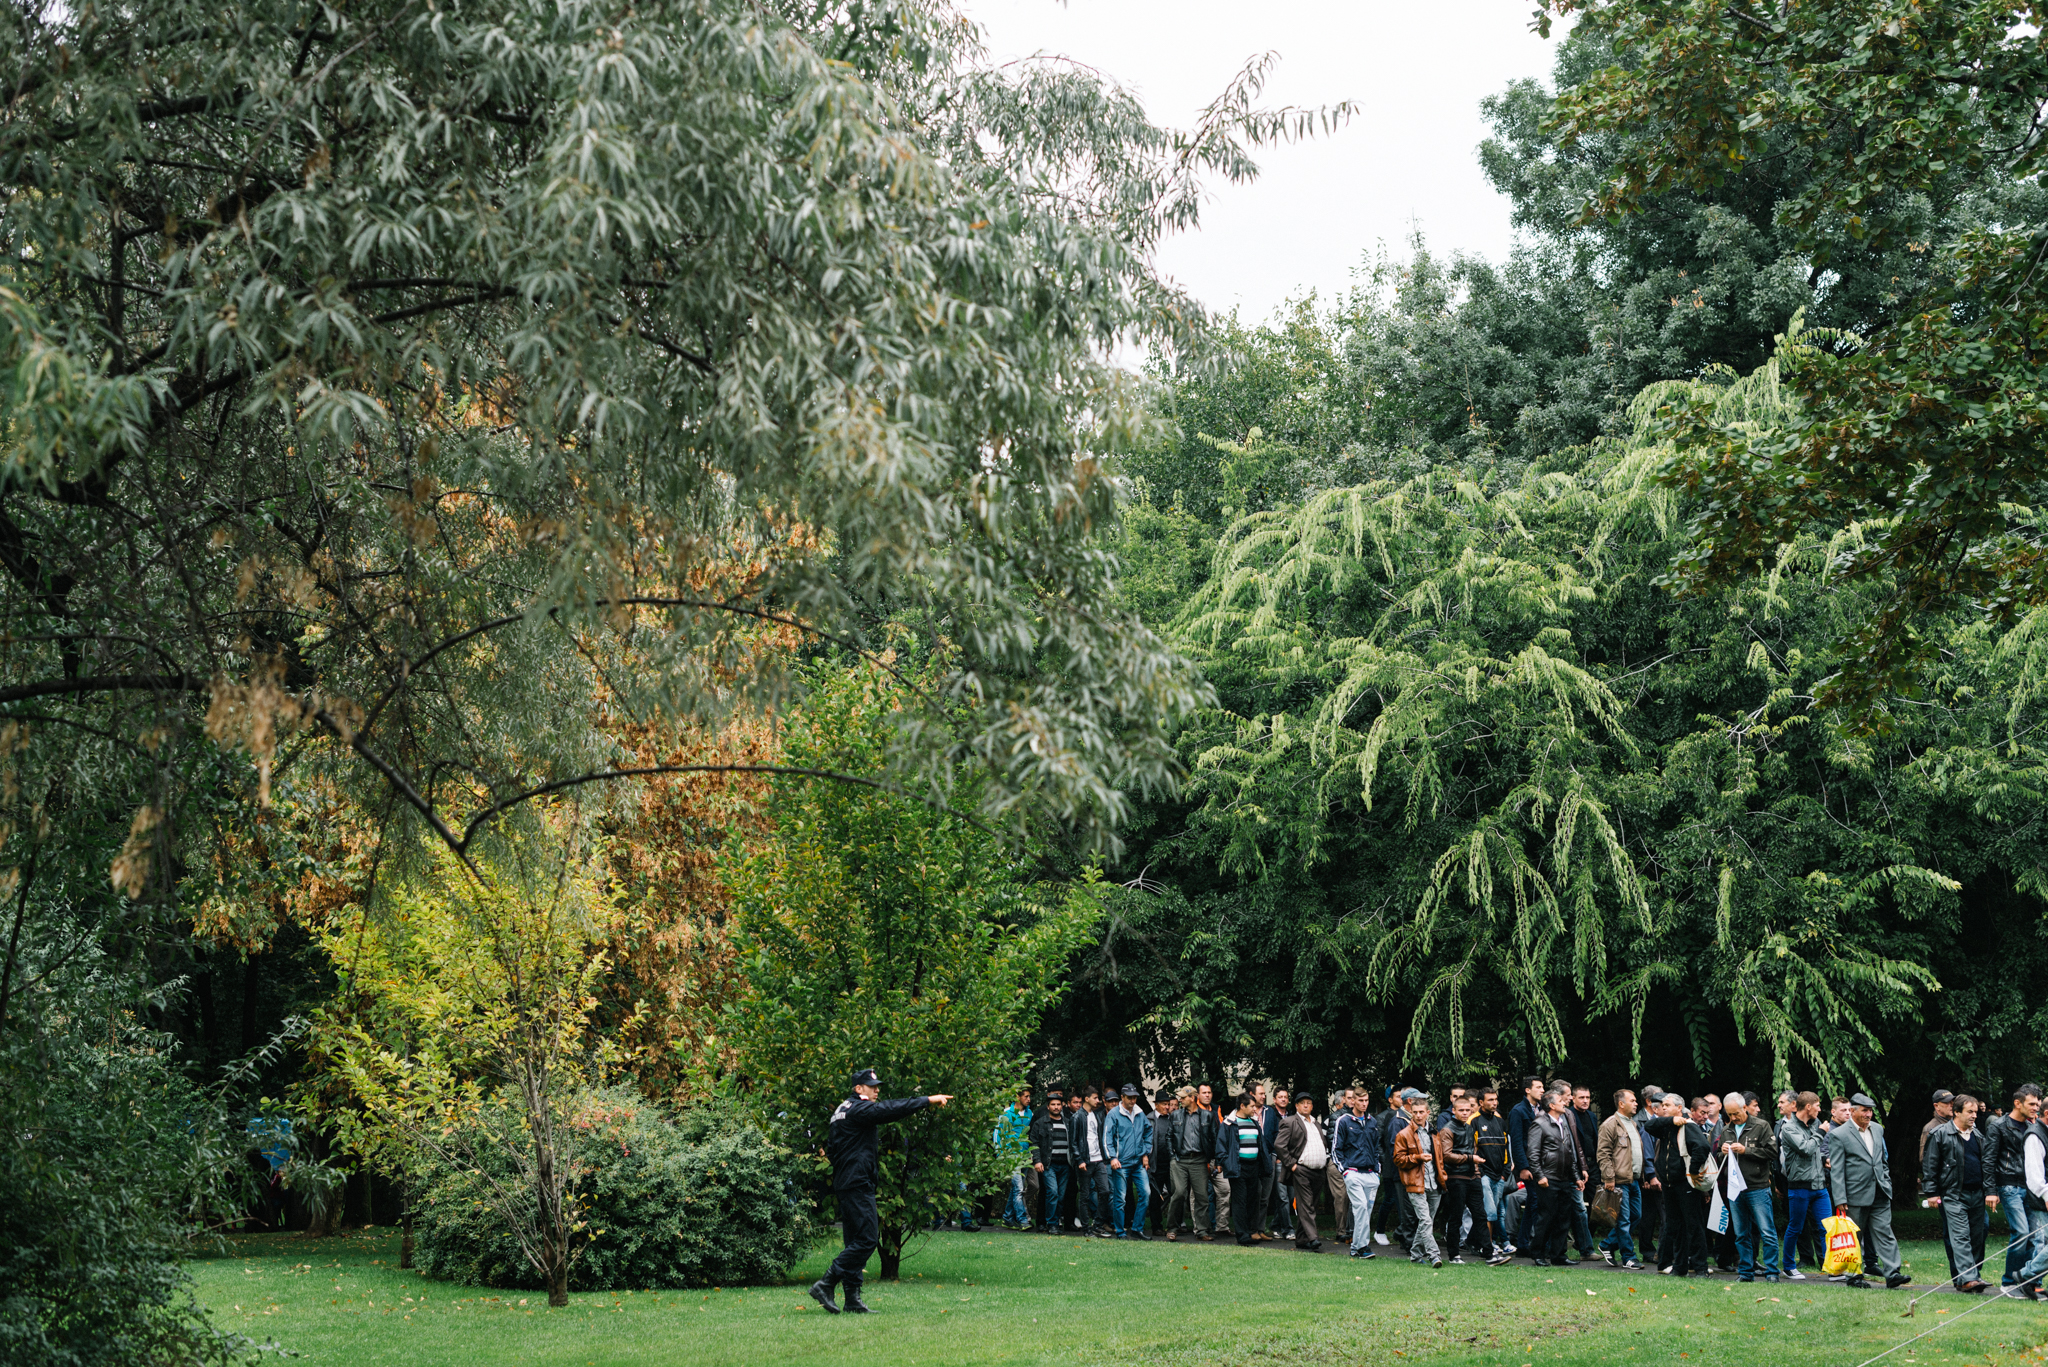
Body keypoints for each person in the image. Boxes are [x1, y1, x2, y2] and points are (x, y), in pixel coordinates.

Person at [810, 1069, 952, 1314]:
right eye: (871, 1086)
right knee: (867, 1239)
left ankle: (852, 1299)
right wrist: (927, 1100)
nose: (876, 1090)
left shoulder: (841, 1110)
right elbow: (890, 1109)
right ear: (858, 1088)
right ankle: (826, 1283)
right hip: (857, 1182)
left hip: (846, 1181)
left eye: (877, 1086)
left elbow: (832, 1149)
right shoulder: (858, 1109)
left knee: (855, 1240)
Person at [1828, 1092, 1910, 1289]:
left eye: (1870, 1111)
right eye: (1864, 1110)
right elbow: (1837, 1169)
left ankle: (1893, 1274)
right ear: (1852, 1111)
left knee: (1885, 1232)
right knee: (1853, 1237)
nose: (1868, 1114)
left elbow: (1881, 1159)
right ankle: (1853, 1277)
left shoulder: (1877, 1129)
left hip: (1880, 1191)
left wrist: (1886, 1180)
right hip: (1854, 1195)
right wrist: (1840, 1198)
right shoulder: (1839, 1134)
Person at [1922, 1092, 1992, 1292]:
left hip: (1977, 1194)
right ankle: (1969, 1278)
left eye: (1976, 1112)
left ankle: (1970, 1277)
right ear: (1956, 1112)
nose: (1974, 1116)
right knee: (1960, 1236)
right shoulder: (1939, 1134)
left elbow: (1986, 1166)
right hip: (1953, 1194)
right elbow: (1930, 1165)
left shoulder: (1978, 1136)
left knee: (1979, 1234)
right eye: (1970, 1112)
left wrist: (1990, 1191)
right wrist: (1931, 1192)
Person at [1711, 1091, 1779, 1284]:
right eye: (1730, 1114)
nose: (1733, 1117)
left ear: (1744, 1108)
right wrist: (1722, 1152)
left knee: (1767, 1231)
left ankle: (1772, 1272)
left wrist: (1746, 1150)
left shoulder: (1761, 1126)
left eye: (1736, 1113)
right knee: (1741, 1234)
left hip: (1757, 1186)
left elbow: (1772, 1152)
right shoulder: (1726, 1130)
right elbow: (1718, 1158)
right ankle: (1746, 1272)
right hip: (1734, 1188)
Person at [1985, 1083, 2044, 1287]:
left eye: (2038, 1104)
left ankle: (2027, 1281)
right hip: (2009, 1185)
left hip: (2031, 1188)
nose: (2036, 1107)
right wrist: (1991, 1191)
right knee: (2021, 1232)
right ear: (2018, 1103)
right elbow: (1989, 1160)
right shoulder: (1998, 1126)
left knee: (2035, 1236)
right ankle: (2009, 1282)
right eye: (2032, 1104)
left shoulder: (2033, 1127)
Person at [1646, 1091, 1709, 1276]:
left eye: (1667, 1105)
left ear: (1679, 1108)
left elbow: (1702, 1147)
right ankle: (1680, 1267)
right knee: (1676, 1226)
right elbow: (1649, 1126)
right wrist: (1670, 1120)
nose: (1663, 1108)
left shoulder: (1688, 1126)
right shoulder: (1667, 1126)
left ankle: (1700, 1268)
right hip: (1669, 1184)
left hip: (1685, 1184)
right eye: (1662, 1105)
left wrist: (1693, 1171)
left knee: (1693, 1225)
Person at [1524, 1085, 1586, 1268]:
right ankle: (1538, 1253)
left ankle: (1559, 1255)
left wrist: (1576, 1177)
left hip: (1564, 1178)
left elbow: (1569, 1152)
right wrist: (1540, 1176)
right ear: (1551, 1105)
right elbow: (1533, 1153)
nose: (1564, 1103)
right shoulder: (1539, 1123)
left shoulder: (1563, 1123)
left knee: (1563, 1218)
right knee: (1546, 1217)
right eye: (1560, 1101)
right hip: (1548, 1177)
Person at [1775, 1090, 1830, 1280]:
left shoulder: (1814, 1123)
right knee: (1796, 1227)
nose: (1819, 1110)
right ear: (1808, 1107)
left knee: (1826, 1228)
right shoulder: (1789, 1129)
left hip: (1819, 1185)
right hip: (1799, 1186)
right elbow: (1805, 1149)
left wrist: (1823, 1159)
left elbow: (1815, 1150)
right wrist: (1821, 1132)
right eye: (1817, 1106)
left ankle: (1832, 1267)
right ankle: (1789, 1266)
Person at [1435, 1093, 1495, 1264]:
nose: (1465, 1113)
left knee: (1480, 1215)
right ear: (1453, 1111)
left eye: (1468, 1110)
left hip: (1472, 1176)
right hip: (1456, 1177)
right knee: (1456, 1217)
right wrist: (1470, 1159)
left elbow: (1473, 1150)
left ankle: (1489, 1253)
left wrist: (1476, 1173)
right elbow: (1446, 1155)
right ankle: (1454, 1255)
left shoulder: (1469, 1128)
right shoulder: (1447, 1129)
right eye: (1461, 1110)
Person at [1393, 1091, 1445, 1267]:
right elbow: (1398, 1159)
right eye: (1415, 1112)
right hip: (1415, 1183)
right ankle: (1434, 1255)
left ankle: (1415, 1255)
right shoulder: (1403, 1134)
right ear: (1411, 1112)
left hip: (1434, 1183)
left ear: (1428, 1112)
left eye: (1421, 1112)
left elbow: (1440, 1158)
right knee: (1425, 1220)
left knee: (1426, 1223)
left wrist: (1443, 1176)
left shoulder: (1434, 1132)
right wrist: (1417, 1158)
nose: (1418, 1115)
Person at [1596, 1088, 1645, 1270]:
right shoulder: (1610, 1124)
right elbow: (1603, 1154)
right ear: (1621, 1104)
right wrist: (1609, 1178)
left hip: (1634, 1180)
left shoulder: (1632, 1124)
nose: (1636, 1103)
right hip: (1618, 1181)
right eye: (1632, 1100)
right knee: (1623, 1221)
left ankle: (1607, 1244)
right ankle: (1628, 1258)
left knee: (1636, 1216)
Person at [1218, 1091, 1273, 1246]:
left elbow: (1260, 1144)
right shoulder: (1230, 1123)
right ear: (1242, 1106)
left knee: (1253, 1199)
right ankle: (1242, 1235)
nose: (1255, 1109)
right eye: (1252, 1106)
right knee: (1240, 1201)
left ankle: (1251, 1231)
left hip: (1253, 1166)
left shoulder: (1254, 1122)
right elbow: (1221, 1144)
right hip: (1238, 1166)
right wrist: (1224, 1163)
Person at [1275, 1091, 1326, 1251]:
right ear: (1296, 1106)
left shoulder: (1316, 1123)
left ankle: (1302, 1239)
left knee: (1313, 1205)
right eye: (1302, 1103)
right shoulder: (1290, 1122)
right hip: (1301, 1169)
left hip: (1318, 1171)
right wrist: (1292, 1165)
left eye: (1308, 1103)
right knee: (1306, 1205)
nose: (1306, 1105)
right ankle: (1313, 1238)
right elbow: (1279, 1145)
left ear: (1312, 1106)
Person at [1335, 1087, 1382, 1260]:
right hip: (1353, 1172)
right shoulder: (1343, 1121)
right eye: (1360, 1100)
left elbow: (1376, 1148)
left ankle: (1355, 1247)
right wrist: (1345, 1171)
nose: (1364, 1104)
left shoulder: (1372, 1121)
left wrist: (1377, 1170)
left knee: (1366, 1211)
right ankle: (1363, 1247)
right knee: (1361, 1206)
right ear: (1353, 1101)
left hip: (1370, 1173)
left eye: (1366, 1100)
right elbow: (1336, 1148)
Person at [1164, 1085, 1215, 1242]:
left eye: (1183, 1097)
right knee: (1179, 1193)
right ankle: (1172, 1228)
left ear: (1192, 1098)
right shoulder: (1176, 1115)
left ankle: (1201, 1230)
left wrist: (1214, 1159)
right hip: (1180, 1160)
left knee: (1202, 1196)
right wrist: (1172, 1156)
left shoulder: (1207, 1116)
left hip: (1199, 1160)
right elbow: (1168, 1136)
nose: (1180, 1100)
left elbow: (1214, 1138)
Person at [1104, 1084, 1153, 1240]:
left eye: (1135, 1097)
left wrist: (1145, 1152)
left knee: (1146, 1193)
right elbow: (1107, 1138)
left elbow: (1148, 1131)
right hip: (1121, 1163)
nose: (1133, 1100)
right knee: (1120, 1198)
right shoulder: (1114, 1114)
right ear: (1122, 1097)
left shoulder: (1139, 1112)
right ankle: (1120, 1231)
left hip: (1138, 1162)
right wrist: (1112, 1157)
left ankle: (1137, 1228)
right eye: (1130, 1097)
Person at [1507, 1075, 1545, 1256]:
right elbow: (1516, 1141)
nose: (1542, 1090)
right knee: (1535, 1202)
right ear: (1527, 1090)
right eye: (1538, 1087)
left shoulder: (1542, 1109)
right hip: (1528, 1165)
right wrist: (1523, 1167)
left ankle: (1523, 1244)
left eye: (1543, 1087)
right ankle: (1531, 1244)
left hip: (1541, 1163)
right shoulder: (1518, 1111)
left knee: (1532, 1204)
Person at [1027, 1092, 1073, 1235]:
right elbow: (1034, 1142)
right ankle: (1052, 1224)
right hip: (1049, 1165)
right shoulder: (1040, 1123)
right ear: (1048, 1106)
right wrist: (1037, 1161)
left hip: (1066, 1165)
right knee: (1052, 1193)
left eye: (1058, 1104)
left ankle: (1055, 1222)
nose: (1056, 1107)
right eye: (1053, 1104)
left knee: (1061, 1196)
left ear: (1062, 1106)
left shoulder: (1068, 1122)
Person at [1475, 1087, 1513, 1255]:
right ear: (1481, 1102)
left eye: (1495, 1099)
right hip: (1484, 1174)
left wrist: (1505, 1172)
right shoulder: (1474, 1121)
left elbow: (1506, 1148)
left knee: (1495, 1212)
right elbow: (1472, 1149)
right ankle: (1488, 1247)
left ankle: (1483, 1244)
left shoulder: (1500, 1121)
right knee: (1489, 1212)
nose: (1494, 1103)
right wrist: (1480, 1173)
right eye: (1490, 1100)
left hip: (1499, 1175)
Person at [997, 1088, 1035, 1230]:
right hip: (1012, 1156)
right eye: (1026, 1096)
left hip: (1025, 1155)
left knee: (1017, 1189)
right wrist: (1001, 1156)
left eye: (1029, 1096)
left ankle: (1007, 1218)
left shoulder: (1030, 1113)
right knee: (1019, 1189)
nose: (1029, 1099)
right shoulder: (1007, 1114)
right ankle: (1023, 1220)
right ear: (1017, 1097)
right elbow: (1000, 1136)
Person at [1265, 1086, 1295, 1240]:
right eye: (1280, 1097)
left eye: (1285, 1097)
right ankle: (1288, 1229)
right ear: (1274, 1099)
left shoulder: (1292, 1115)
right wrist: (1276, 1155)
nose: (1283, 1099)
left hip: (1291, 1160)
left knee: (1290, 1196)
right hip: (1278, 1160)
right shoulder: (1271, 1115)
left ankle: (1275, 1225)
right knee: (1282, 1197)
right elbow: (1269, 1136)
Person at [1325, 1089, 1353, 1243]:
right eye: (1350, 1098)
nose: (1353, 1101)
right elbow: (1332, 1142)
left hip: (1355, 1162)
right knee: (1341, 1197)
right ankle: (1342, 1231)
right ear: (1344, 1100)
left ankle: (1352, 1230)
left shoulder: (1362, 1117)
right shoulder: (1336, 1117)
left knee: (1354, 1198)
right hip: (1338, 1162)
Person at [1922, 1089, 1956, 1166]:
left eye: (1952, 1102)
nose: (1952, 1105)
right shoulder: (1931, 1128)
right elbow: (1925, 1159)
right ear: (1936, 1106)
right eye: (1947, 1102)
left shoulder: (1957, 1124)